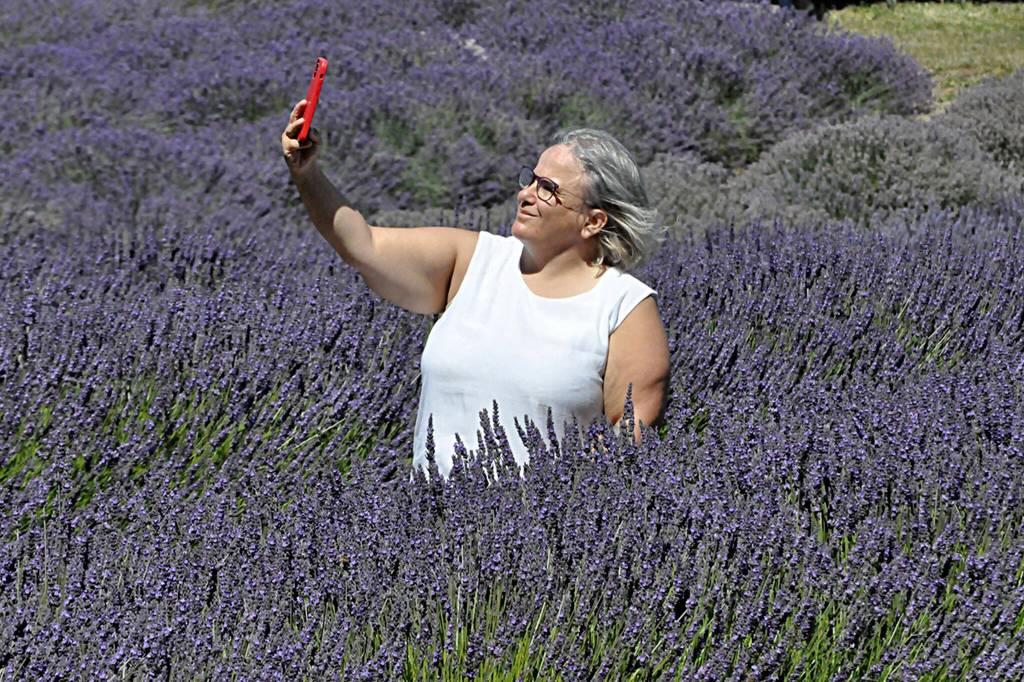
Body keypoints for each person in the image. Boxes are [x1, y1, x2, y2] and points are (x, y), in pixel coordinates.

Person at [281, 100, 670, 481]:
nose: (526, 194)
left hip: (537, 534)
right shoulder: (472, 260)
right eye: (530, 179)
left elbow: (624, 450)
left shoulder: (624, 307)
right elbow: (363, 246)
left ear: (593, 221)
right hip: (426, 528)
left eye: (548, 189)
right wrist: (307, 172)